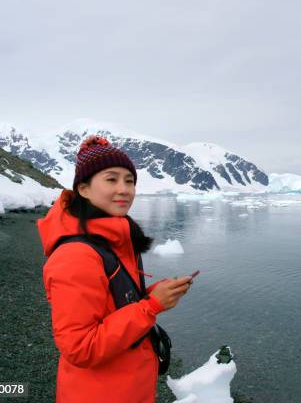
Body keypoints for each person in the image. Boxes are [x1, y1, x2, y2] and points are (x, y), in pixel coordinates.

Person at [38, 135, 193, 402]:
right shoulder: (76, 255)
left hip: (126, 387)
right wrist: (150, 306)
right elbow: (81, 348)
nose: (124, 189)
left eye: (129, 180)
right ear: (84, 189)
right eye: (111, 179)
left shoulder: (115, 239)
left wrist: (149, 295)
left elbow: (113, 305)